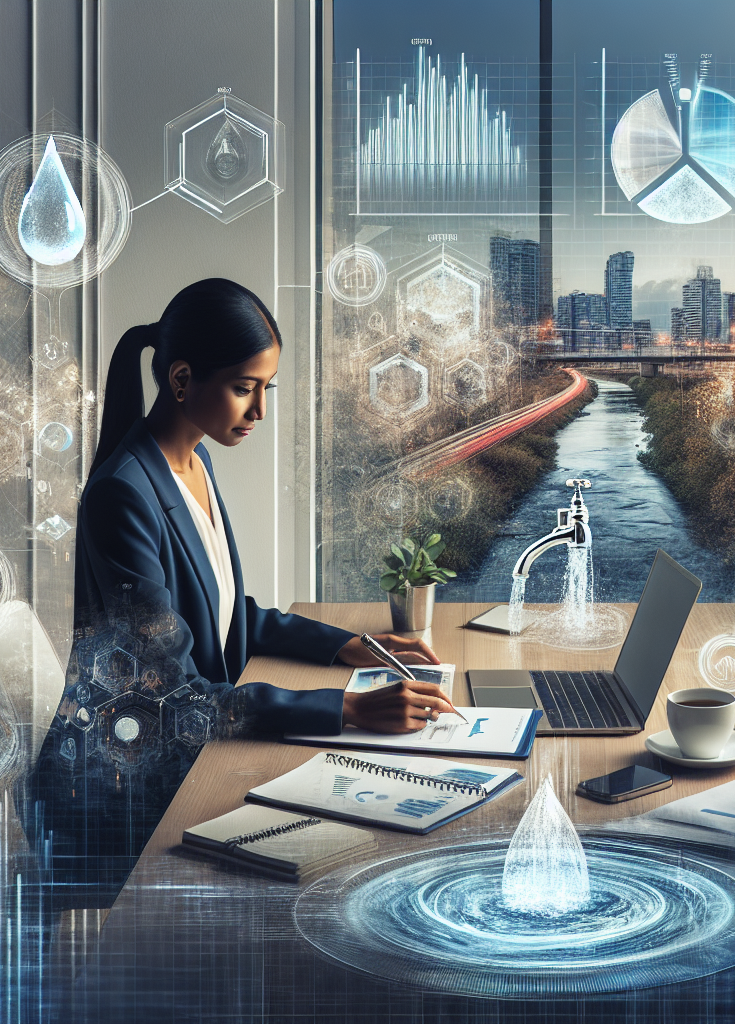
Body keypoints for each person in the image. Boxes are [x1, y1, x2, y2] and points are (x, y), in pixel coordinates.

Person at [27, 278, 454, 905]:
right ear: (180, 379)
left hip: (200, 753)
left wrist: (347, 647)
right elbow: (173, 695)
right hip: (140, 789)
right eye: (242, 388)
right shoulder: (125, 493)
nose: (258, 412)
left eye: (264, 389)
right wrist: (346, 711)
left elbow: (228, 614)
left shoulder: (193, 463)